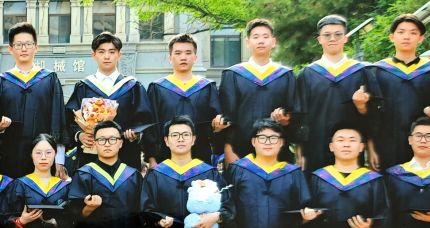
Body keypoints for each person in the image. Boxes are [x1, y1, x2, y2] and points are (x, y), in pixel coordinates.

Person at [68, 120, 144, 228]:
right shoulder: (84, 174)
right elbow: (75, 215)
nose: (107, 144)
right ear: (94, 143)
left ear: (121, 143)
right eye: (102, 140)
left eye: (112, 139)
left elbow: (142, 214)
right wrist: (88, 208)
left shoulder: (133, 175)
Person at [370, 14, 430, 172]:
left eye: (413, 33)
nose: (406, 37)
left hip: (423, 142)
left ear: (421, 38)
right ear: (392, 37)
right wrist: (371, 148)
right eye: (401, 32)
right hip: (387, 143)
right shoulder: (377, 71)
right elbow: (371, 114)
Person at [296, 15, 377, 173]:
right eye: (327, 35)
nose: (332, 38)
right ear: (319, 39)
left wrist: (371, 148)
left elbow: (374, 116)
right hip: (315, 148)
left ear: (345, 38)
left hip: (351, 149)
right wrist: (299, 150)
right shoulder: (307, 74)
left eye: (338, 34)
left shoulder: (361, 72)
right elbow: (300, 116)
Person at [0, 22, 66, 178]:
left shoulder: (50, 79)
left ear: (36, 47)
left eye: (28, 44)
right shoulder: (1, 81)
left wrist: (59, 160)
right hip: (9, 158)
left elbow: (58, 120)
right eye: (18, 45)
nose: (24, 49)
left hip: (44, 158)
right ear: (10, 49)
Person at [65, 32, 151, 169]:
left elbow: (145, 118)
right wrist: (79, 135)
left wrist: (135, 132)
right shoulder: (84, 86)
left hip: (125, 155)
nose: (106, 56)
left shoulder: (132, 86)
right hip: (91, 156)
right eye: (101, 52)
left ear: (119, 55)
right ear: (94, 55)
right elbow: (70, 118)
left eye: (112, 52)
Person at [219, 18, 299, 164]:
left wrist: (286, 120)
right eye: (256, 37)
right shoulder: (233, 75)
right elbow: (227, 116)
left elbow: (295, 114)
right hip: (240, 153)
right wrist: (228, 149)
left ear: (273, 42)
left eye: (265, 37)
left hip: (278, 154)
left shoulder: (285, 75)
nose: (261, 41)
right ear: (247, 42)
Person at [145, 34, 222, 166]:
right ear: (170, 58)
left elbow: (215, 127)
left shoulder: (207, 87)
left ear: (195, 57)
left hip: (200, 159)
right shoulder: (157, 88)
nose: (183, 57)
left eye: (188, 53)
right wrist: (151, 159)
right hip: (165, 160)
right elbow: (150, 127)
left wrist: (218, 127)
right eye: (178, 53)